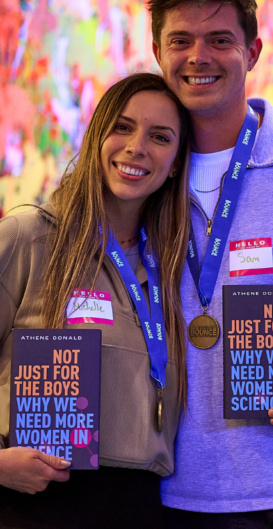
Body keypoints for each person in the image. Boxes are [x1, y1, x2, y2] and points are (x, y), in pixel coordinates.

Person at [147, 0, 273, 525]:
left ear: (252, 51)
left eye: (220, 40)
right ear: (158, 52)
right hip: (169, 487)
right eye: (180, 40)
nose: (197, 56)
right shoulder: (141, 174)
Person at [0, 73, 192, 527]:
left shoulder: (170, 266)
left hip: (141, 506)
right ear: (96, 137)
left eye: (159, 137)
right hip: (37, 504)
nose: (136, 147)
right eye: (122, 127)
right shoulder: (27, 237)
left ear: (178, 163)